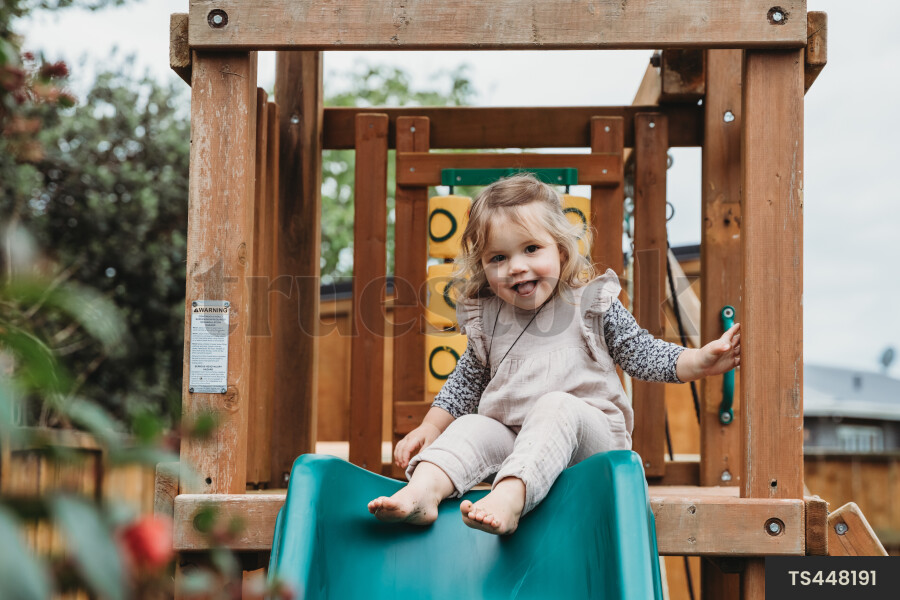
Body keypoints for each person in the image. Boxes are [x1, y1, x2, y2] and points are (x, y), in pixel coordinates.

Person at [367, 174, 740, 535]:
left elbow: (641, 352)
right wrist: (429, 429)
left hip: (590, 448)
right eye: (498, 257)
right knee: (470, 426)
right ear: (482, 265)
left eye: (531, 249)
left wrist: (699, 361)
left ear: (560, 250)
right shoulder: (489, 316)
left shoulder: (590, 303)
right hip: (516, 440)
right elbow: (465, 384)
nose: (516, 266)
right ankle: (422, 493)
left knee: (555, 406)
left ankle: (510, 499)